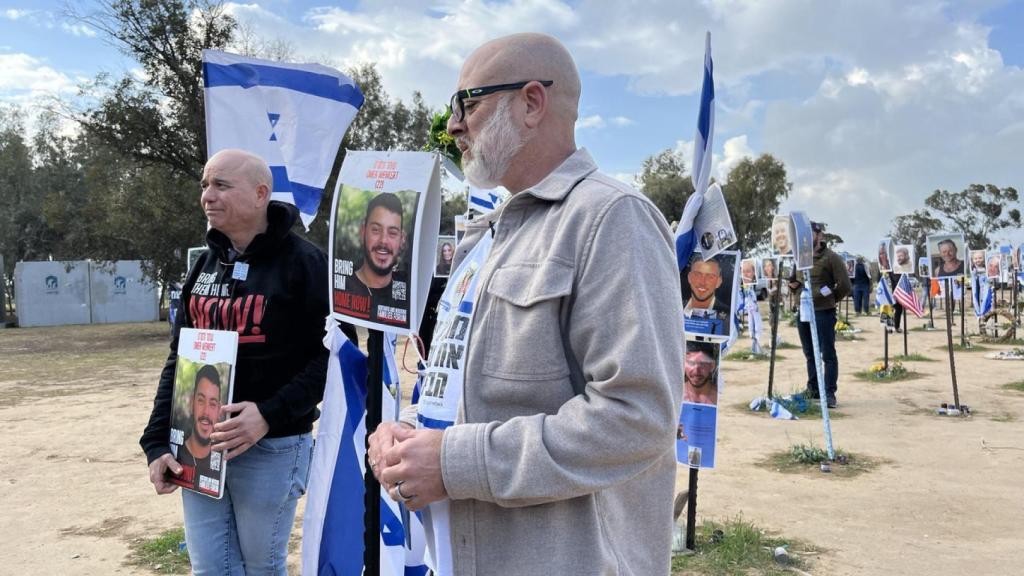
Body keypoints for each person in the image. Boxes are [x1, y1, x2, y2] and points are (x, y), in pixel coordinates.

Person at [366, 33, 683, 575]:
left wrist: (454, 462)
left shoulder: (611, 219)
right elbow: (469, 390)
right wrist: (409, 432)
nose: (453, 126)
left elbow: (637, 419)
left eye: (469, 103)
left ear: (532, 102)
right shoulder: (486, 236)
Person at [140, 149, 352, 575]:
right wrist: (156, 442)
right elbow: (178, 357)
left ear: (260, 194)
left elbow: (332, 358)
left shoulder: (305, 263)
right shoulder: (203, 264)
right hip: (197, 444)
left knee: (261, 567)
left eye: (220, 184)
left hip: (271, 447)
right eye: (204, 184)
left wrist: (268, 416)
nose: (207, 195)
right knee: (210, 568)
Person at [788, 221, 851, 408]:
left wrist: (830, 300)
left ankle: (829, 393)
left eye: (810, 233)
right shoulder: (799, 258)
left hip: (823, 313)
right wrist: (795, 291)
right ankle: (813, 389)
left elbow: (845, 285)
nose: (806, 237)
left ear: (819, 235)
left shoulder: (831, 258)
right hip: (804, 313)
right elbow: (795, 281)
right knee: (809, 353)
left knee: (827, 354)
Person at [345, 192, 410, 326]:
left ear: (402, 239)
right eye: (375, 230)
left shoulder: (406, 291)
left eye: (392, 233)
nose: (383, 241)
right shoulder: (345, 287)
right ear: (363, 231)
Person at [174, 364, 224, 493]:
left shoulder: (221, 457)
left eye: (213, 404)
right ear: (192, 403)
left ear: (219, 410)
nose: (206, 412)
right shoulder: (177, 453)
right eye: (201, 401)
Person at [682, 255, 730, 335]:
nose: (702, 282)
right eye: (697, 275)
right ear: (689, 278)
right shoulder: (676, 309)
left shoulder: (728, 316)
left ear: (718, 282)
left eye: (710, 277)